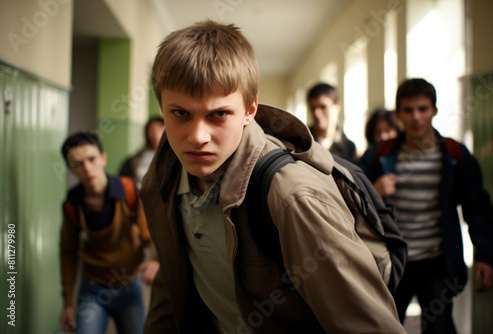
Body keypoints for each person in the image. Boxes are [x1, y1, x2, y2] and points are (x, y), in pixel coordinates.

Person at [141, 20, 405, 333]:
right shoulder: (164, 176)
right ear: (161, 107)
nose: (198, 136)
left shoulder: (293, 197)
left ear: (250, 109)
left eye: (218, 114)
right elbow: (172, 289)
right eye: (181, 113)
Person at [358, 78, 493, 333]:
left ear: (434, 109)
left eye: (423, 109)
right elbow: (348, 194)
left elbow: (476, 207)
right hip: (392, 260)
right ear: (398, 114)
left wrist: (487, 256)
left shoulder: (454, 155)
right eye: (408, 110)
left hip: (436, 261)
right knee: (380, 327)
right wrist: (374, 191)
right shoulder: (381, 153)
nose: (416, 117)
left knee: (439, 327)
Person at [59, 131, 159, 334]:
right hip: (92, 289)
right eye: (77, 163)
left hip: (130, 284)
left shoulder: (130, 192)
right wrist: (68, 303)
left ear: (103, 158)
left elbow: (151, 234)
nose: (87, 168)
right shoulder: (72, 204)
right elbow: (68, 253)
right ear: (70, 168)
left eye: (91, 159)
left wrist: (156, 259)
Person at [306, 83, 357, 162]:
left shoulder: (349, 147)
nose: (317, 113)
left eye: (323, 107)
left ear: (337, 106)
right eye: (313, 108)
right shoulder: (302, 142)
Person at [119, 116, 164, 189]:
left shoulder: (173, 158)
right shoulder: (133, 161)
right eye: (152, 130)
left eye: (159, 130)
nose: (155, 135)